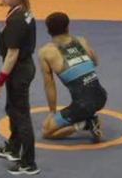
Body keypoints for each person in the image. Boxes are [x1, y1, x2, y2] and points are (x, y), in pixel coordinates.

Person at [0, 0, 39, 176]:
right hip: (22, 68)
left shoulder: (17, 20)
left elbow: (12, 54)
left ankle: (28, 163)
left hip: (18, 71)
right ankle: (13, 147)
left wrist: (0, 80)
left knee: (21, 116)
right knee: (12, 109)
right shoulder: (22, 12)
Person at [38, 12, 106, 143]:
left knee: (47, 131)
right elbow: (95, 62)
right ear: (68, 27)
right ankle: (88, 117)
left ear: (48, 31)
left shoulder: (45, 52)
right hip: (101, 97)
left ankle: (85, 124)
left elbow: (49, 85)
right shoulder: (81, 40)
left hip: (82, 106)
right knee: (85, 99)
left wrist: (52, 112)